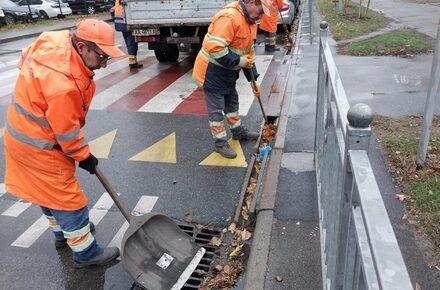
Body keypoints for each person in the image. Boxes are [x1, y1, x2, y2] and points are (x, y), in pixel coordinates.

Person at [3, 19, 125, 268]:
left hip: (21, 137)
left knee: (46, 193)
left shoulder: (53, 42)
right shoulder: (62, 86)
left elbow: (24, 59)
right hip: (40, 147)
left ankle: (65, 234)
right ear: (82, 47)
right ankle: (85, 252)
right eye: (101, 56)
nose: (103, 64)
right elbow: (66, 133)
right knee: (71, 202)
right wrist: (84, 156)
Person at [192, 0, 272, 159]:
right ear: (250, 2)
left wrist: (253, 79)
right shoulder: (230, 17)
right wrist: (238, 61)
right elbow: (215, 49)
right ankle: (220, 144)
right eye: (260, 11)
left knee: (232, 103)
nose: (260, 16)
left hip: (227, 72)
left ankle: (237, 132)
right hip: (212, 71)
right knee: (216, 111)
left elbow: (248, 52)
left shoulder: (250, 21)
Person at [114, 0, 143, 69]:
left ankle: (132, 60)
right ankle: (132, 62)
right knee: (132, 42)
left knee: (128, 42)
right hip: (126, 22)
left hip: (120, 22)